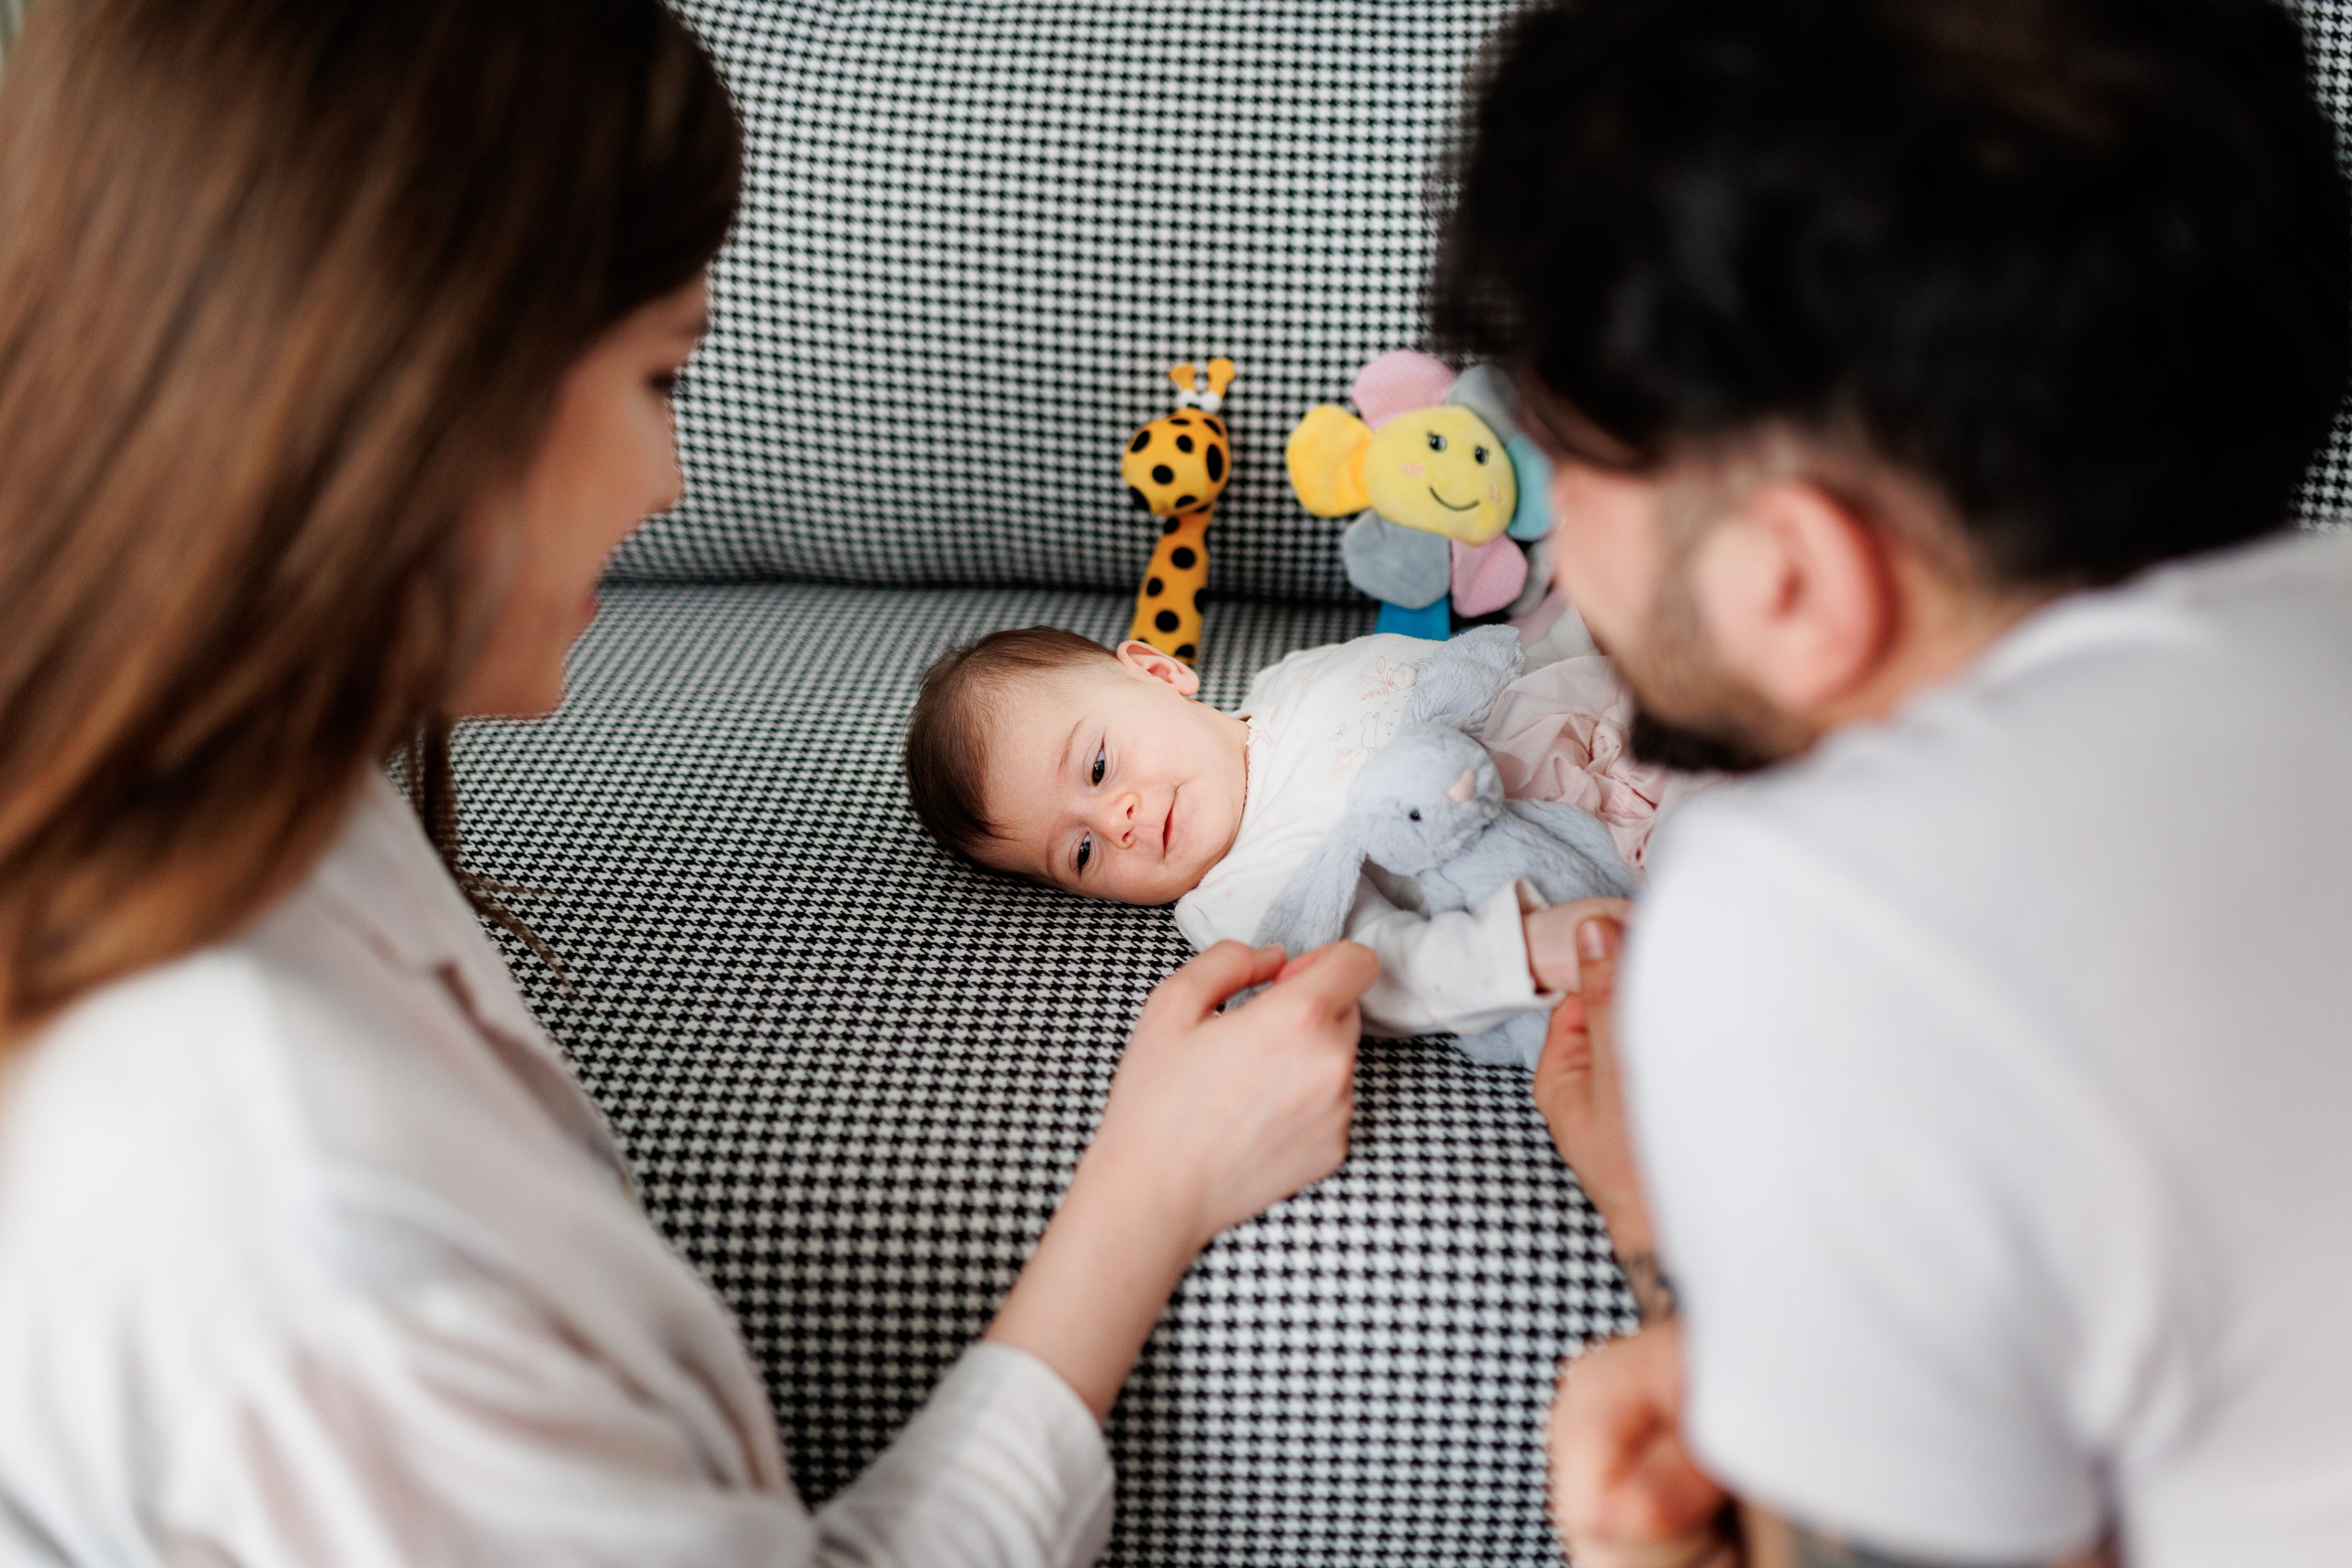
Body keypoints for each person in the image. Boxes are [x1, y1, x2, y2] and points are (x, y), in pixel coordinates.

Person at [0, 2, 1379, 1562]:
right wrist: (1151, 1186)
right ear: (417, 384)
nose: (671, 482)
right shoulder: (305, 1251)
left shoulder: (281, 788)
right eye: (661, 377)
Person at [1432, 0, 2352, 1562]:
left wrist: (1677, 1285)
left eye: (1569, 467)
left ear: (1790, 580)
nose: (1560, 547)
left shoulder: (1809, 929)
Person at [901, 625, 1705, 1046]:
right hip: (1591, 857)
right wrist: (1524, 952)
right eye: (1081, 852)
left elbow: (1472, 671)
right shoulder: (1236, 903)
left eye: (1101, 764)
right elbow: (1381, 971)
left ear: (1157, 672)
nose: (1117, 819)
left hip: (1617, 718)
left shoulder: (1297, 677)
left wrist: (1582, 632)